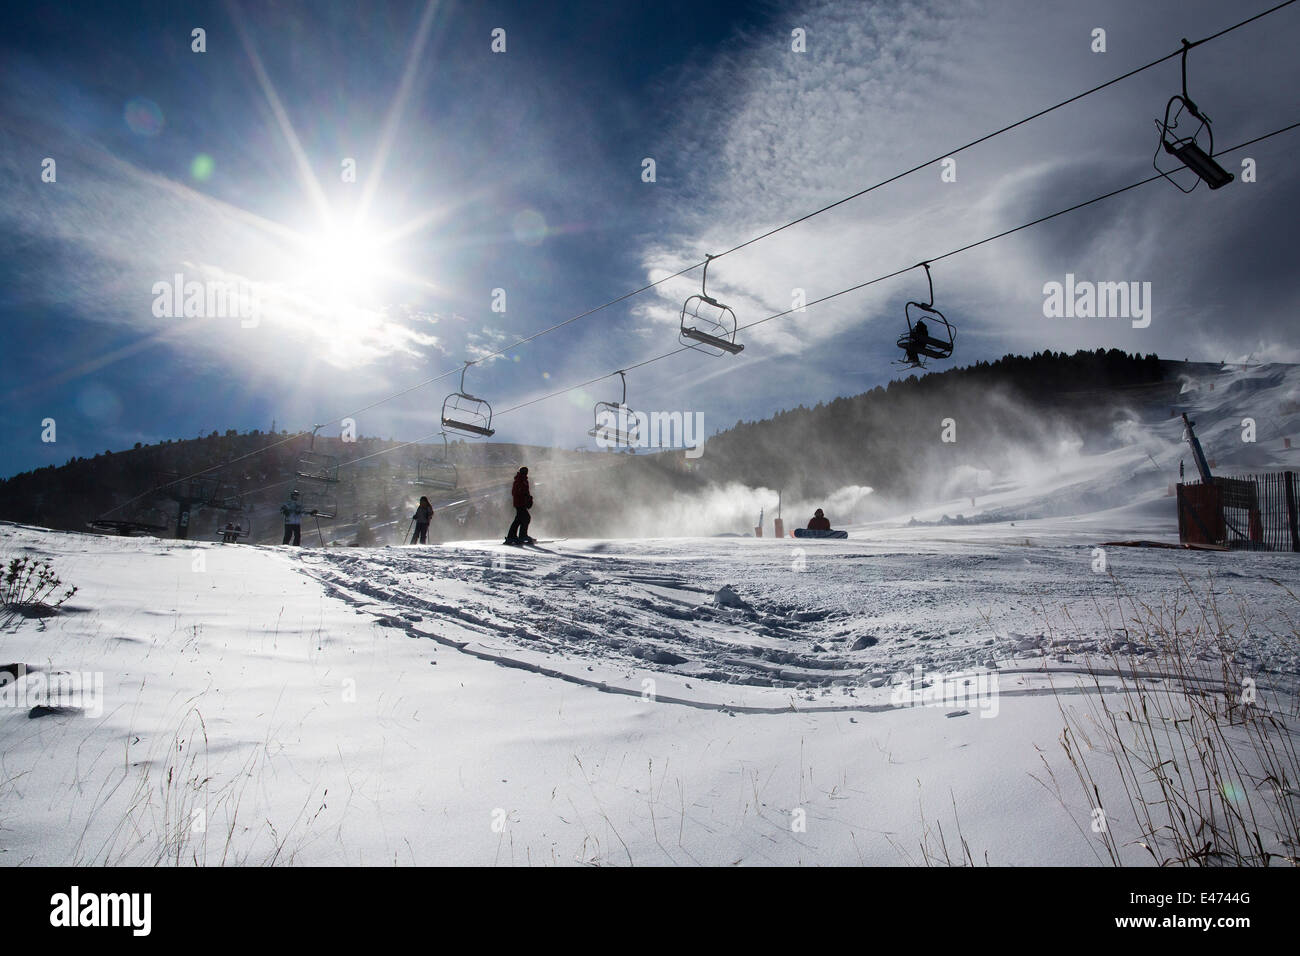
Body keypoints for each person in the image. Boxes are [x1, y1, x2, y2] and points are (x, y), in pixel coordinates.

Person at [504, 466, 534, 545]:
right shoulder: (519, 480)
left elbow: (525, 492)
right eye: (525, 472)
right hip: (519, 503)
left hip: (521, 503)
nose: (526, 473)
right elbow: (515, 492)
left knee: (519, 519)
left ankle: (513, 536)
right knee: (526, 518)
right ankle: (521, 536)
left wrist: (529, 498)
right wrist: (525, 496)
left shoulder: (524, 480)